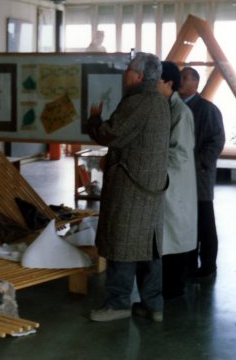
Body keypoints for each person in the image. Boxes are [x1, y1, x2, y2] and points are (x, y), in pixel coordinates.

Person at [87, 52, 170, 322]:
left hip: (131, 187)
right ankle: (153, 305)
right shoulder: (158, 101)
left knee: (122, 244)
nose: (124, 75)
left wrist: (95, 119)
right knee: (149, 247)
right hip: (149, 187)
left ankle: (118, 303)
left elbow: (110, 134)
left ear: (138, 76)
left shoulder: (139, 102)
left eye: (128, 70)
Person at [178, 67, 225, 279]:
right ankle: (187, 263)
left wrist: (199, 163)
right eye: (180, 77)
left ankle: (208, 265)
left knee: (205, 221)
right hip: (180, 175)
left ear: (196, 83)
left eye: (185, 78)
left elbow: (216, 141)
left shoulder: (207, 109)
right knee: (186, 221)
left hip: (199, 175)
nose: (181, 80)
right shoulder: (175, 107)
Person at [157, 61, 198, 299]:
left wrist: (151, 160)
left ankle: (174, 290)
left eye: (157, 82)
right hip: (165, 182)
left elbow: (180, 153)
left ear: (169, 83)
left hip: (174, 182)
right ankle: (167, 287)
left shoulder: (181, 112)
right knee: (168, 237)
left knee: (175, 237)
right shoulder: (164, 107)